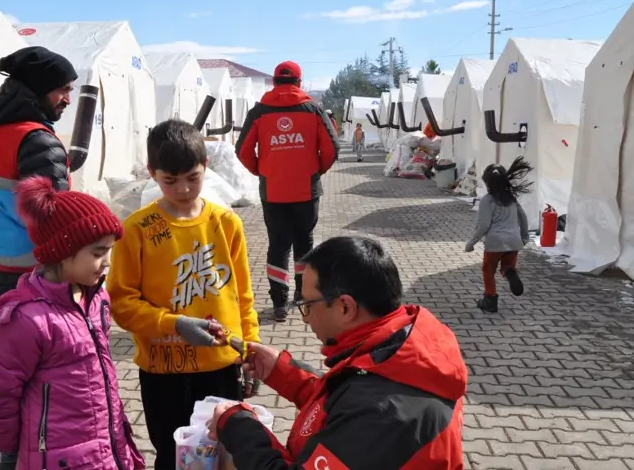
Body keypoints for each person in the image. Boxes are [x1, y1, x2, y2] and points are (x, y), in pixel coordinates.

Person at [207, 236, 468, 469]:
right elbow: (343, 403)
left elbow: (359, 412)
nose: (306, 319)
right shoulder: (401, 350)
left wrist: (237, 424)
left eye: (307, 304)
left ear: (345, 307)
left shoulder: (382, 412)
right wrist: (280, 370)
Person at [107, 119, 261, 470]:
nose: (183, 189)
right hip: (164, 370)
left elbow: (243, 295)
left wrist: (249, 350)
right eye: (170, 180)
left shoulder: (226, 223)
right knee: (171, 454)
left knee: (225, 454)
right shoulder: (137, 230)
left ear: (206, 166)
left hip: (222, 364)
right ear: (152, 173)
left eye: (193, 177)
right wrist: (173, 323)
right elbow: (121, 304)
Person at [0, 176, 145, 470]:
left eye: (109, 250)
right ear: (62, 252)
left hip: (105, 445)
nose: (107, 262)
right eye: (98, 252)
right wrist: (14, 450)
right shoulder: (28, 320)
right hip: (56, 458)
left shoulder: (96, 298)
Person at [0, 45, 78, 329]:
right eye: (62, 89)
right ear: (39, 88)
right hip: (31, 274)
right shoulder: (36, 139)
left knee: (8, 358)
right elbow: (54, 216)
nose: (68, 99)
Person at [235, 60, 340, 322]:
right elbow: (332, 148)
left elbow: (242, 150)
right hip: (306, 191)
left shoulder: (259, 112)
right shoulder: (314, 109)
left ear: (273, 82)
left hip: (273, 193)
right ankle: (302, 296)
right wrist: (316, 170)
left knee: (278, 246)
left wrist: (261, 170)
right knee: (304, 243)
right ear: (299, 83)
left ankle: (279, 303)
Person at [465, 157, 533, 313]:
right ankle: (509, 272)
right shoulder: (511, 199)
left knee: (488, 270)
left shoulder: (487, 201)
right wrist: (524, 237)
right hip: (514, 241)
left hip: (494, 242)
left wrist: (471, 243)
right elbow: (523, 217)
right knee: (508, 265)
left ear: (487, 183)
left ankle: (490, 299)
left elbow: (483, 225)